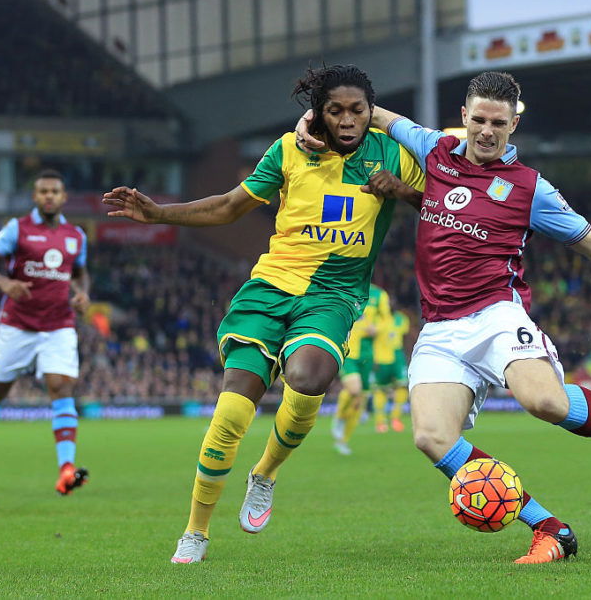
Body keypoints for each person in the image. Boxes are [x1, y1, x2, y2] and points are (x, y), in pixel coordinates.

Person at [297, 71, 591, 564]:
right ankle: (551, 529)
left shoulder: (530, 188)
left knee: (545, 402)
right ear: (463, 117)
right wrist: (311, 120)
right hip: (440, 327)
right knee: (431, 437)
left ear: (514, 124)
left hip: (496, 314)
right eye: (479, 120)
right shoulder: (433, 150)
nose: (487, 131)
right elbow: (372, 114)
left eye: (499, 122)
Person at [103, 64, 424, 564]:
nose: (347, 120)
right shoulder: (290, 149)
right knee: (232, 411)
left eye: (357, 110)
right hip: (271, 287)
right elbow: (230, 206)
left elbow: (450, 204)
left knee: (309, 378)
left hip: (333, 294)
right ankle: (195, 531)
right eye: (335, 110)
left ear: (372, 111)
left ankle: (265, 473)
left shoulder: (394, 154)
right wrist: (160, 212)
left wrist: (403, 192)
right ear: (318, 112)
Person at [0, 169, 91, 496]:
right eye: (43, 191)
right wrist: (5, 283)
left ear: (63, 197)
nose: (49, 196)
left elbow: (79, 272)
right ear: (35, 196)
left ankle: (66, 469)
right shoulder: (17, 229)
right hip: (17, 325)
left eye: (54, 191)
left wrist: (82, 293)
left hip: (59, 325)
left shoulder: (76, 236)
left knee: (61, 387)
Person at [331, 282, 389, 454]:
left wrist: (377, 328)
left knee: (359, 400)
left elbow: (386, 320)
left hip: (367, 354)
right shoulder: (347, 286)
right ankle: (339, 417)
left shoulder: (379, 295)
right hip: (348, 349)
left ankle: (343, 440)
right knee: (354, 389)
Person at [371, 305, 410, 433]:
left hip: (397, 356)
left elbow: (405, 335)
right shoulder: (376, 318)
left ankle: (396, 418)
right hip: (380, 358)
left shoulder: (401, 318)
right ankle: (380, 421)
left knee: (403, 386)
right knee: (380, 389)